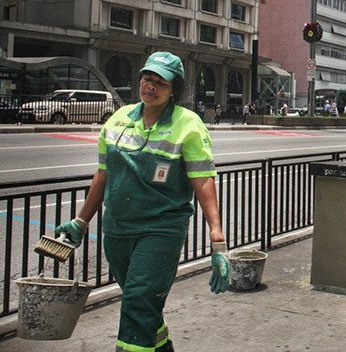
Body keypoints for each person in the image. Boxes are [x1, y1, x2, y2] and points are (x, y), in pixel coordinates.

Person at [54, 52, 229, 352]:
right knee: (142, 304)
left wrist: (218, 238)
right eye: (147, 78)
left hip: (161, 231)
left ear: (175, 89)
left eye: (161, 82)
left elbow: (203, 181)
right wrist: (81, 222)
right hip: (118, 230)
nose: (151, 85)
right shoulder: (118, 119)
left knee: (137, 301)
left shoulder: (189, 124)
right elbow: (103, 174)